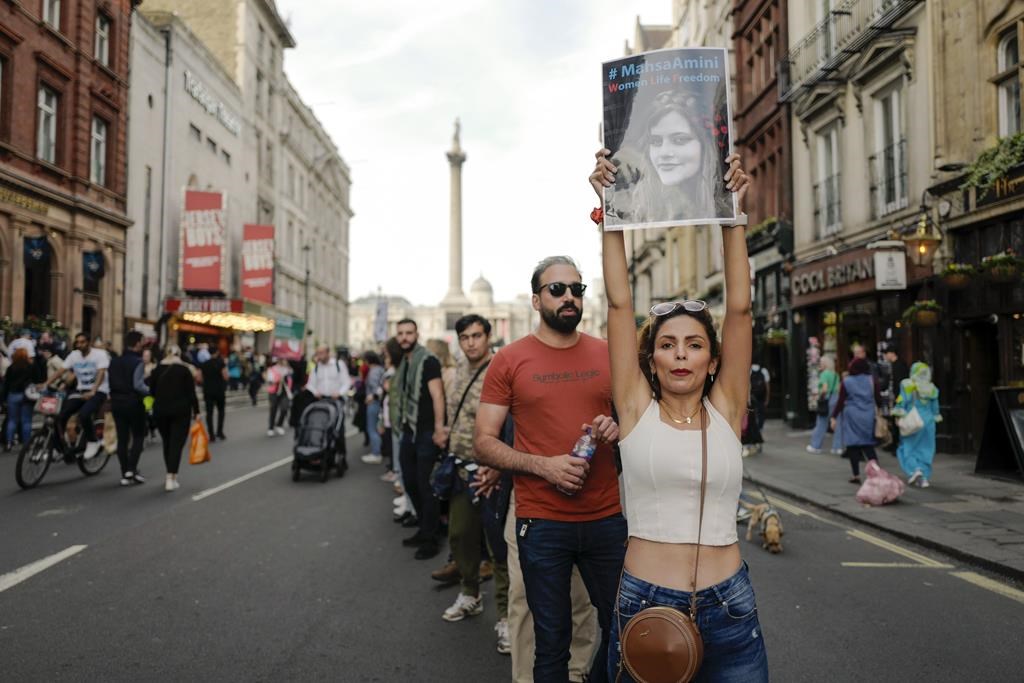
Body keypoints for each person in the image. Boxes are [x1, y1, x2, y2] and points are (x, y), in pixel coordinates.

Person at [592, 148, 767, 681]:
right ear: (652, 359)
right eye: (668, 345)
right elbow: (620, 306)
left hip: (732, 606)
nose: (681, 354)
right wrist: (611, 210)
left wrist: (733, 212)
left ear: (713, 362)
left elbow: (740, 308)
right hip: (646, 603)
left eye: (694, 345)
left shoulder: (727, 409)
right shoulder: (634, 408)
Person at [473, 255, 622, 683]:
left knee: (622, 631)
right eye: (557, 290)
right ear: (536, 300)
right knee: (551, 641)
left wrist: (618, 427)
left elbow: (637, 421)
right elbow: (483, 442)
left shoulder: (607, 353)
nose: (569, 297)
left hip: (605, 519)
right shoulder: (510, 360)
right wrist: (544, 467)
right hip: (541, 522)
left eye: (576, 289)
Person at [605, 88, 732, 227]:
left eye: (679, 140)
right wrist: (605, 203)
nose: (664, 152)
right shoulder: (636, 210)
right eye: (656, 141)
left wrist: (734, 206)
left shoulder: (723, 205)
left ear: (706, 146)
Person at [393, 319, 446, 560]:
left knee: (426, 486)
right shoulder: (404, 362)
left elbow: (437, 395)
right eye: (401, 334)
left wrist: (439, 429)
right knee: (410, 481)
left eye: (409, 333)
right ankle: (424, 526)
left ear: (417, 334)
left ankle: (430, 537)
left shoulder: (428, 361)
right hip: (408, 430)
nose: (404, 337)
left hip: (425, 431)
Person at [150, 345, 200, 492]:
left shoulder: (156, 370)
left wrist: (149, 409)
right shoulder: (184, 370)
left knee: (167, 442)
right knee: (176, 444)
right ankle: (171, 476)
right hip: (180, 411)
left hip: (160, 411)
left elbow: (150, 392)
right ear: (179, 354)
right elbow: (191, 393)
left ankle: (169, 474)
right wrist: (196, 411)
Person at [55, 332, 110, 459]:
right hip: (80, 391)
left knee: (84, 414)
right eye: (77, 342)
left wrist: (93, 390)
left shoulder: (99, 355)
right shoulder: (74, 355)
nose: (79, 345)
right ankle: (59, 448)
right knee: (61, 415)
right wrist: (45, 383)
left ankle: (93, 441)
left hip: (99, 391)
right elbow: (61, 370)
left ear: (88, 343)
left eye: (82, 342)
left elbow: (101, 373)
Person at [831, 357, 883, 484]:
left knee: (853, 445)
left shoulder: (847, 381)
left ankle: (856, 475)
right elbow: (878, 398)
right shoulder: (872, 380)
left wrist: (834, 417)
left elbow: (841, 401)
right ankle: (877, 473)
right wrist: (880, 411)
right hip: (868, 415)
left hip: (852, 415)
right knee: (868, 444)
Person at [108, 331, 150, 485]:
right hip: (133, 402)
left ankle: (125, 471)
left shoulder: (114, 361)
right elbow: (138, 385)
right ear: (137, 343)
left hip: (117, 402)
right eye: (142, 341)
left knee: (122, 438)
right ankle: (131, 469)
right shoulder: (138, 362)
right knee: (139, 436)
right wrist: (151, 391)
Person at [894, 362, 941, 487]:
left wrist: (898, 415)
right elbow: (935, 409)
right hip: (929, 422)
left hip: (913, 421)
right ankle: (924, 477)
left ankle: (914, 470)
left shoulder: (908, 385)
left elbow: (902, 401)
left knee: (908, 448)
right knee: (927, 449)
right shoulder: (932, 388)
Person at [306, 344, 352, 462]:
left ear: (328, 353)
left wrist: (340, 393)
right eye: (318, 353)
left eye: (321, 353)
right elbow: (310, 384)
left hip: (336, 401)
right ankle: (320, 452)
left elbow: (347, 382)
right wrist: (315, 392)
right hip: (321, 401)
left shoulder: (338, 365)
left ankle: (341, 456)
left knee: (338, 429)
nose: (319, 356)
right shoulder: (316, 367)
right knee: (320, 427)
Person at [807, 354, 842, 454]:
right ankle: (837, 447)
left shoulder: (824, 374)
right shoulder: (835, 374)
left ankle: (815, 445)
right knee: (838, 423)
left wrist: (819, 395)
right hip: (836, 398)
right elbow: (839, 388)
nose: (820, 365)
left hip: (827, 399)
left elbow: (825, 388)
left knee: (821, 423)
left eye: (821, 363)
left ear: (826, 364)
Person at [2, 348, 35, 451]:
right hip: (26, 395)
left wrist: (3, 399)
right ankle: (26, 444)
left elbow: (6, 384)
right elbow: (37, 379)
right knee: (26, 421)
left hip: (13, 395)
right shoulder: (30, 367)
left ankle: (8, 443)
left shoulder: (11, 368)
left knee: (12, 420)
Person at [882, 343, 910, 453]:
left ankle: (898, 444)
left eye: (887, 353)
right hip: (895, 397)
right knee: (894, 421)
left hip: (898, 398)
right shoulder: (896, 365)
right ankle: (895, 443)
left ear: (892, 353)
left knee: (898, 421)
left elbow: (900, 384)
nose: (885, 356)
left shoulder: (898, 366)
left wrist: (899, 399)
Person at [361, 351, 385, 465]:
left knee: (372, 428)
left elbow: (377, 388)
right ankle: (377, 451)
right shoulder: (380, 369)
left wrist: (372, 397)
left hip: (374, 403)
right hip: (378, 403)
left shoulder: (374, 371)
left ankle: (376, 453)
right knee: (376, 427)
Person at [200, 346, 228, 442]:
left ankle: (211, 434)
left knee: (209, 413)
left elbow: (200, 378)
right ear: (217, 352)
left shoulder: (204, 364)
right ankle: (220, 432)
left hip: (208, 391)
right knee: (221, 412)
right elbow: (225, 376)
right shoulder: (221, 363)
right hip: (219, 391)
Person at [266, 357, 293, 436]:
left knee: (285, 408)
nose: (284, 361)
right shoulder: (272, 369)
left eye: (284, 359)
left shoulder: (287, 369)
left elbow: (291, 376)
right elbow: (270, 381)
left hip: (285, 392)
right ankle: (271, 428)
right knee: (273, 409)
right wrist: (277, 380)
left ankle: (279, 425)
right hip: (274, 392)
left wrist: (287, 368)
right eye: (282, 359)